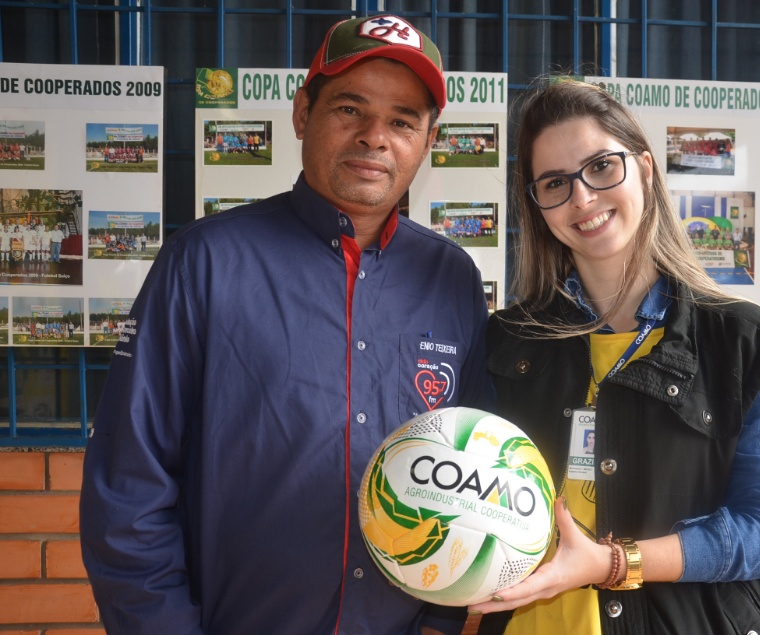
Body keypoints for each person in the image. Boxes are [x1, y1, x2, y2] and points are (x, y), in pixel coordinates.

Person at [80, 15, 491, 635]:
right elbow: (129, 484)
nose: (376, 137)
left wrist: (440, 619)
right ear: (303, 113)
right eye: (350, 109)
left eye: (403, 121)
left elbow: (472, 475)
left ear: (428, 140)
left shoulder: (451, 277)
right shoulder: (206, 261)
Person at [472, 79, 760, 634]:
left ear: (646, 170)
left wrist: (614, 563)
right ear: (539, 207)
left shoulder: (743, 344)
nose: (582, 198)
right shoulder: (509, 342)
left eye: (602, 167)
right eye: (555, 183)